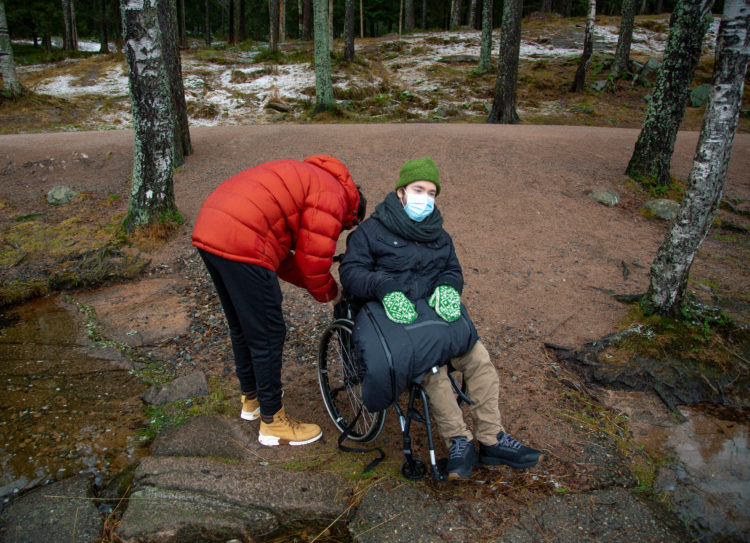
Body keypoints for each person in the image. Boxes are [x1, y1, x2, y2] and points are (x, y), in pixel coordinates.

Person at [339, 157, 541, 479]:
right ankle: (459, 441)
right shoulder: (371, 232)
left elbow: (451, 268)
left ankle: (491, 438)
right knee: (432, 366)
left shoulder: (439, 235)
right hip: (391, 312)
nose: (426, 199)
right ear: (401, 191)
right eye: (419, 190)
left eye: (432, 193)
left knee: (478, 357)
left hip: (432, 309)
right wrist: (384, 286)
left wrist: (448, 287)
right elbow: (350, 272)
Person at [192, 155, 365, 447]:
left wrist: (316, 284)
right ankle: (273, 422)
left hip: (211, 224)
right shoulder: (334, 199)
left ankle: (253, 400)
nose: (340, 232)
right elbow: (313, 266)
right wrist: (333, 294)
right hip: (243, 237)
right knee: (269, 333)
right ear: (353, 215)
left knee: (243, 325)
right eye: (345, 229)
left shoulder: (314, 177)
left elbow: (283, 259)